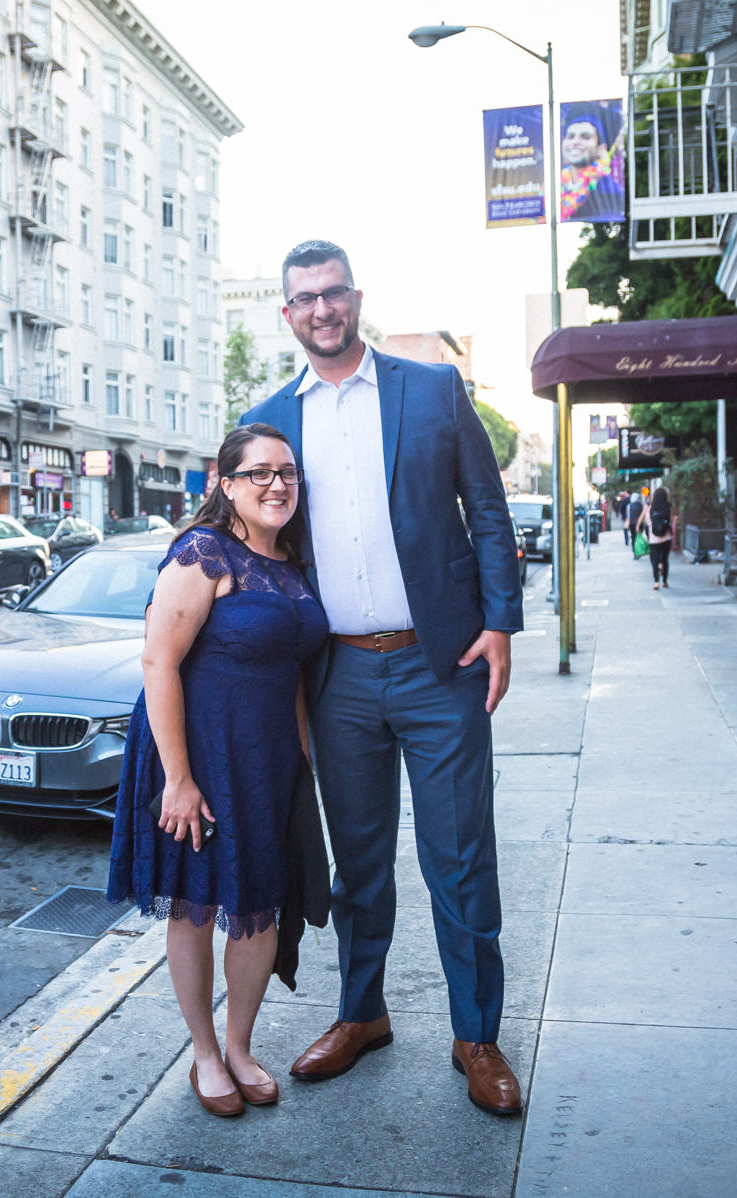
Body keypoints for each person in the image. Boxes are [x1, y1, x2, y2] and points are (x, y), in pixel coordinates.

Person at [242, 239, 526, 1115]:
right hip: (338, 679)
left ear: (356, 298)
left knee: (461, 860)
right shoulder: (270, 419)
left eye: (333, 294)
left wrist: (500, 623)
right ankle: (361, 1014)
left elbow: (486, 508)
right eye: (304, 299)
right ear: (287, 314)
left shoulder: (431, 389)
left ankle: (476, 1033)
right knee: (357, 867)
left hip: (439, 667)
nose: (321, 310)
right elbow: (247, 535)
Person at [107, 424, 329, 1118]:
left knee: (258, 906)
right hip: (197, 755)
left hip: (266, 762)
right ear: (225, 484)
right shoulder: (203, 552)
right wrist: (177, 779)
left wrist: (302, 765)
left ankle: (239, 1046)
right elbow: (158, 662)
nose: (276, 485)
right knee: (198, 904)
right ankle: (204, 1053)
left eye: (287, 473)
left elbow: (291, 673)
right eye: (258, 473)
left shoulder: (290, 564)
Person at [559, 111, 626, 222]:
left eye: (585, 137)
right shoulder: (553, 191)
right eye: (570, 136)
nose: (575, 142)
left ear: (601, 149)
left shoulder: (612, 194)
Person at [638, 485, 676, 588]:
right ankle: (665, 581)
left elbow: (642, 519)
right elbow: (672, 520)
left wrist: (638, 527)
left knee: (654, 560)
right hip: (666, 537)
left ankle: (656, 581)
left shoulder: (649, 506)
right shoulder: (668, 506)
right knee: (665, 560)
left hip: (653, 538)